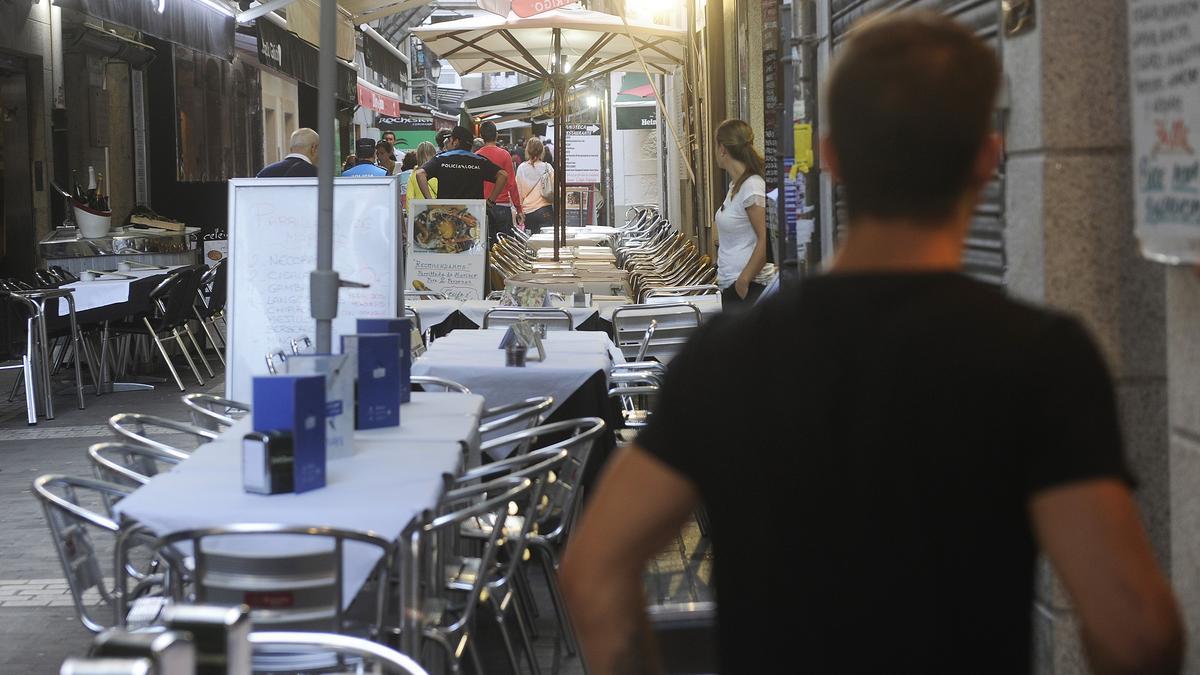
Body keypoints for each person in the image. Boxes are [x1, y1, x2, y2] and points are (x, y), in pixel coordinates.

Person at [560, 11, 1184, 675]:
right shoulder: (1040, 359)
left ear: (831, 160)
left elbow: (593, 571)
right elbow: (1133, 629)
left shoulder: (727, 357)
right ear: (988, 157)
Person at [713, 119, 768, 306]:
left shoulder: (752, 186)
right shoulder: (736, 186)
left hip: (747, 288)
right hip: (731, 285)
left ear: (722, 149)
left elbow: (765, 238)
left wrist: (743, 281)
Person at [415, 125, 509, 207]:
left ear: (456, 142)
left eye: (450, 139)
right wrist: (490, 201)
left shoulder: (441, 159)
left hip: (446, 215)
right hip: (474, 216)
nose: (448, 142)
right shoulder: (480, 161)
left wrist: (430, 202)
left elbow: (420, 173)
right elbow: (503, 175)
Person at [476, 121, 525, 239]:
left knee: (486, 246)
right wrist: (519, 209)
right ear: (496, 135)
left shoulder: (476, 156)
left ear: (482, 137)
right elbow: (511, 184)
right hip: (503, 206)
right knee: (504, 246)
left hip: (483, 207)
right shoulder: (505, 155)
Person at [516, 137, 555, 233]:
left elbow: (518, 192)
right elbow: (555, 189)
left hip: (528, 211)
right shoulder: (547, 167)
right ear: (542, 151)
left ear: (527, 150)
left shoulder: (521, 168)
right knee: (546, 244)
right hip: (545, 209)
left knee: (531, 243)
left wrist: (519, 210)